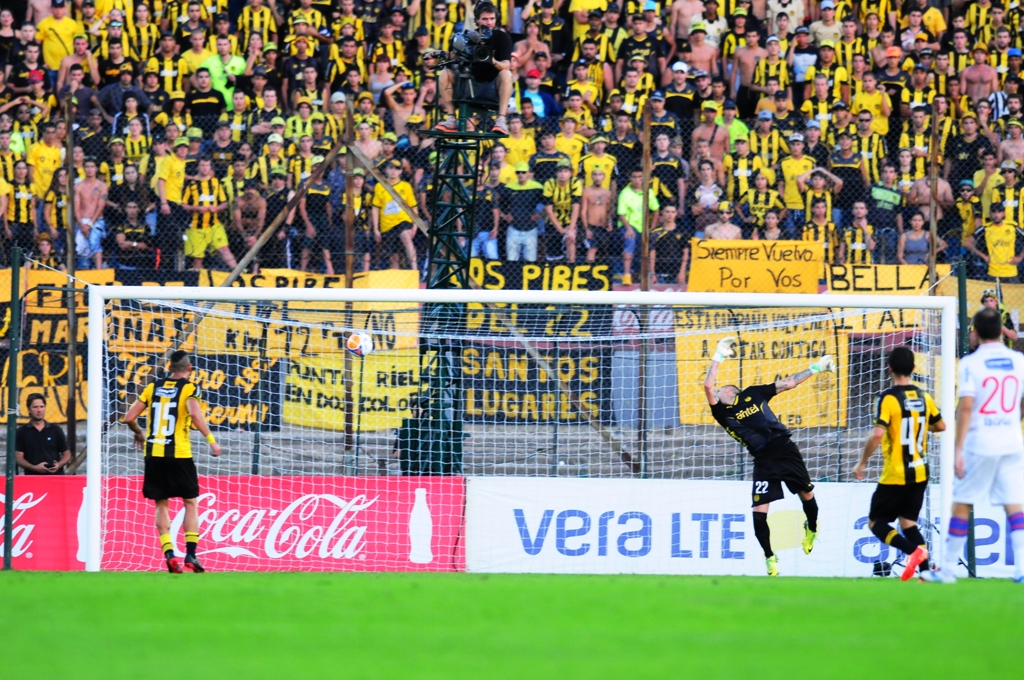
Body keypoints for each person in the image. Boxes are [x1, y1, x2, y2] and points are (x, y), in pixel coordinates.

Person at [704, 336, 833, 576]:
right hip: (762, 460)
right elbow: (707, 385)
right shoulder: (722, 413)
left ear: (731, 391)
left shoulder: (754, 393)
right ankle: (770, 557)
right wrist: (718, 356)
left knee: (807, 495)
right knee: (759, 511)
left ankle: (812, 528)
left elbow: (788, 383)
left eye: (721, 388)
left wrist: (816, 367)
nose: (716, 390)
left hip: (784, 449)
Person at [922, 308, 1024, 583]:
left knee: (961, 504)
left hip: (981, 442)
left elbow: (966, 407)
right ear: (1002, 331)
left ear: (975, 333)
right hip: (1012, 440)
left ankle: (946, 570)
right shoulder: (1019, 360)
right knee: (1015, 505)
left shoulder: (971, 363)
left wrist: (958, 450)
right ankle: (1022, 568)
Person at [123, 351, 222, 574]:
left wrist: (139, 433)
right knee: (190, 502)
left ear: (170, 367)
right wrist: (212, 442)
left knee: (161, 504)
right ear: (189, 368)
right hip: (179, 453)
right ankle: (191, 554)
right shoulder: (189, 388)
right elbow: (195, 415)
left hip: (154, 453)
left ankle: (169, 554)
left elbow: (129, 417)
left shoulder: (152, 387)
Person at [854, 346, 946, 581]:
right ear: (914, 368)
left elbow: (877, 434)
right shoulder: (924, 397)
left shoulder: (888, 398)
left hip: (897, 472)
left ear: (890, 368)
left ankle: (912, 551)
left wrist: (862, 463)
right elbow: (941, 425)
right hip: (921, 471)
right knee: (908, 523)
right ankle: (926, 574)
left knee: (875, 522)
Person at [435, 2, 513, 135]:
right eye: (485, 19)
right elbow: (455, 56)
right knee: (445, 73)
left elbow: (507, 64)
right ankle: (451, 118)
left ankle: (501, 119)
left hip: (492, 87)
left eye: (492, 19)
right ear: (477, 20)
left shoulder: (502, 37)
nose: (489, 22)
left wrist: (493, 61)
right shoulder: (468, 36)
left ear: (496, 19)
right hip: (469, 84)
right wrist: (439, 53)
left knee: (506, 74)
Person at [15, 393, 71, 475]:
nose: (39, 410)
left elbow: (67, 454)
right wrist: (34, 468)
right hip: (32, 478)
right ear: (29, 409)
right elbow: (19, 458)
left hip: (55, 478)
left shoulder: (56, 430)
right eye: (35, 407)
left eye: (42, 406)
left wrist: (58, 465)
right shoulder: (21, 432)